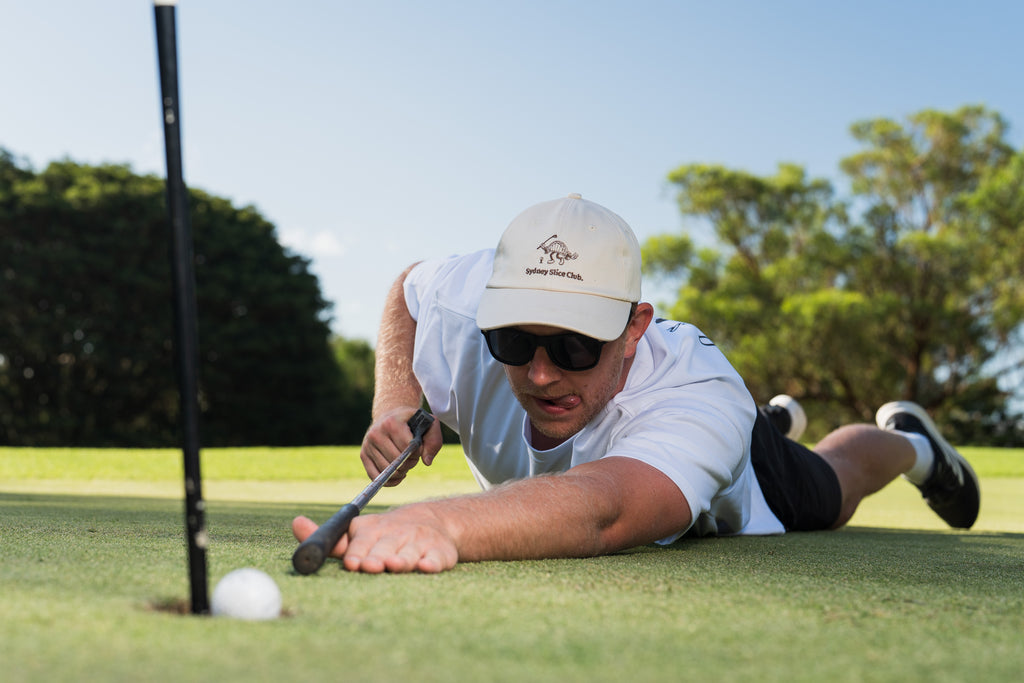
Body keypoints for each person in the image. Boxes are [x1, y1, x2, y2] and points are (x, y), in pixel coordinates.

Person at [292, 193, 980, 574]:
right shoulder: (467, 294)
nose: (538, 372)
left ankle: (913, 444)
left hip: (731, 457)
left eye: (574, 346)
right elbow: (408, 291)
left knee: (831, 488)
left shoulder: (696, 393)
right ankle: (772, 419)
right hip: (675, 435)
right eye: (512, 340)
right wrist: (396, 400)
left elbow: (606, 507)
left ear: (634, 327)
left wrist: (440, 519)